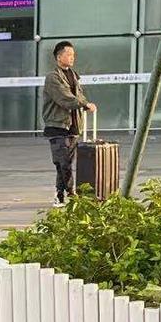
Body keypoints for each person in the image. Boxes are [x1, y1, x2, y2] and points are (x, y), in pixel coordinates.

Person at [42, 41, 96, 206]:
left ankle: (59, 195)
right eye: (69, 54)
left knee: (64, 164)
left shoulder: (74, 76)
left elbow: (79, 96)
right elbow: (64, 98)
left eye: (73, 55)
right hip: (57, 126)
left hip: (72, 126)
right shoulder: (53, 78)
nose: (72, 57)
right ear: (59, 57)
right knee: (63, 162)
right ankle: (72, 195)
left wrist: (85, 104)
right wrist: (84, 104)